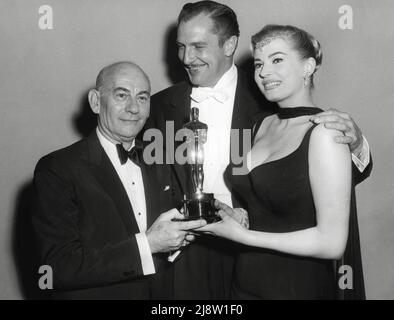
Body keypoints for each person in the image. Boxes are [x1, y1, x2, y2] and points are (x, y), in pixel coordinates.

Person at [146, 1, 372, 299]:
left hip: (268, 261)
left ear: (229, 45)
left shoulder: (268, 102)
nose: (187, 58)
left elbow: (318, 184)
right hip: (189, 260)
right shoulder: (159, 106)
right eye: (181, 46)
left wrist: (356, 143)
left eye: (199, 46)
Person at [197, 24, 366, 299]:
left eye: (277, 60)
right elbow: (254, 199)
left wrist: (242, 237)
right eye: (258, 63)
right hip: (242, 287)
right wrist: (234, 215)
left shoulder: (325, 131)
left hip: (296, 289)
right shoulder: (253, 127)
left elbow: (333, 243)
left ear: (308, 67)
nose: (263, 72)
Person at [32, 61, 206, 299]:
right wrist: (148, 245)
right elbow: (56, 267)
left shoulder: (161, 159)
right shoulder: (57, 168)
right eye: (122, 95)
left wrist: (224, 212)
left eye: (143, 98)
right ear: (95, 102)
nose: (134, 108)